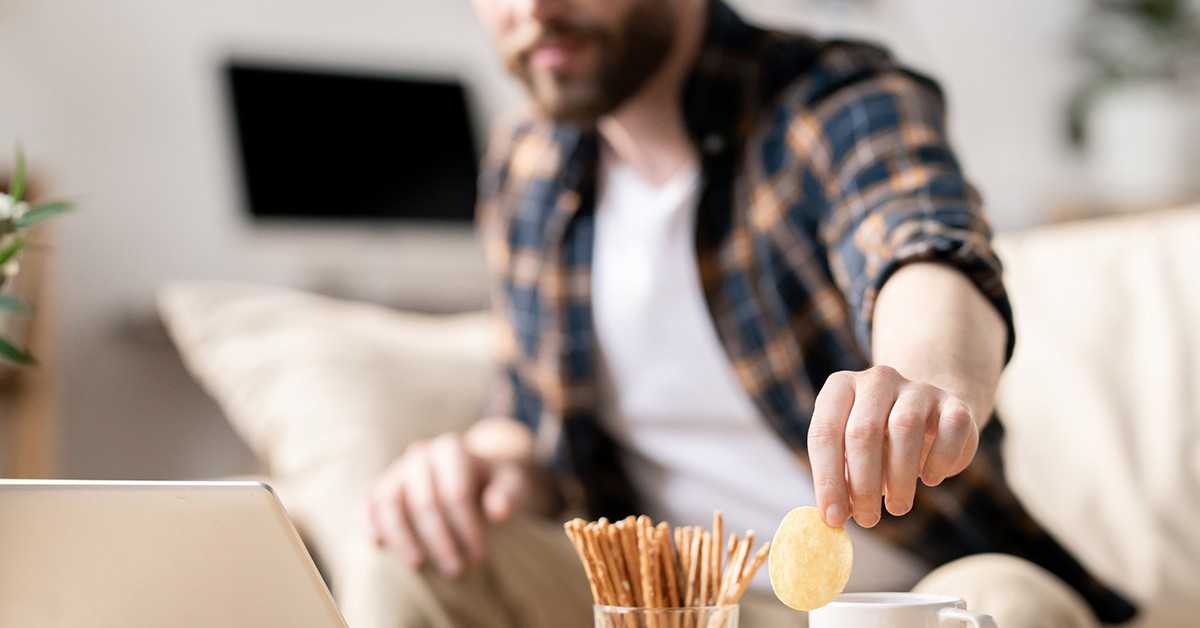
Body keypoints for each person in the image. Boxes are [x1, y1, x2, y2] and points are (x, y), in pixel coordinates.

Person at [364, 0, 1138, 626]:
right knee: (412, 554)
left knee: (1014, 607)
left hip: (904, 597)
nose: (533, 8)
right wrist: (479, 467)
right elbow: (528, 422)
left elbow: (922, 244)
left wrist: (918, 378)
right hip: (672, 605)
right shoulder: (524, 165)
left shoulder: (836, 97)